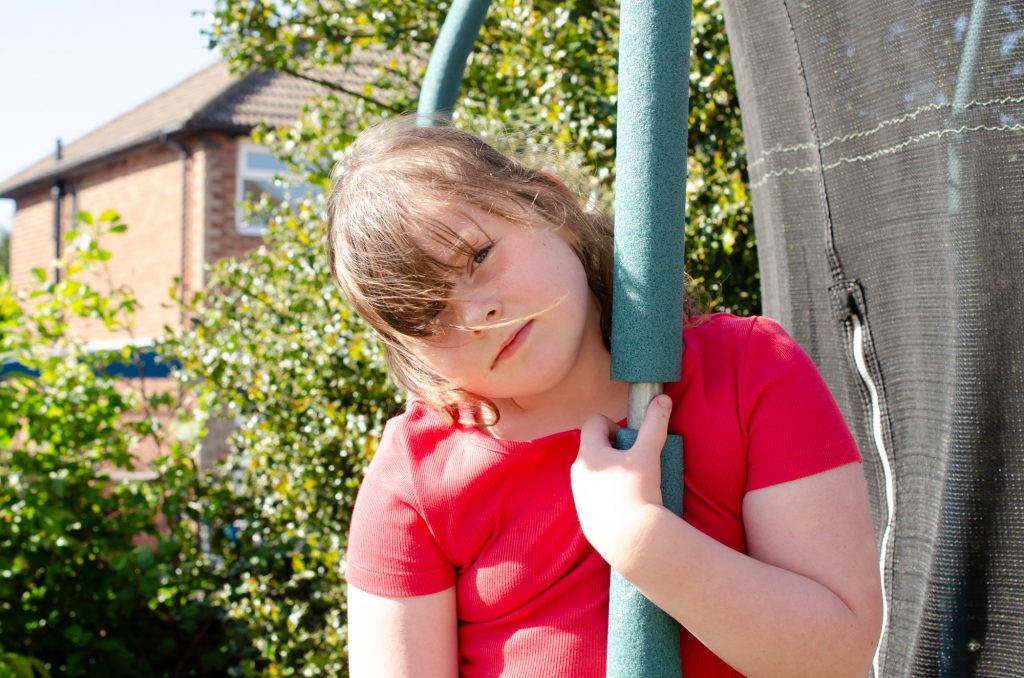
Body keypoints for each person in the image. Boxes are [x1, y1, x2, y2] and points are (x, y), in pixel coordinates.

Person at [327, 119, 883, 677]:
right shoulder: (414, 483)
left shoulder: (748, 370)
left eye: (478, 256)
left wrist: (641, 539)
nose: (476, 314)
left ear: (549, 203)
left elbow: (837, 657)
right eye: (430, 315)